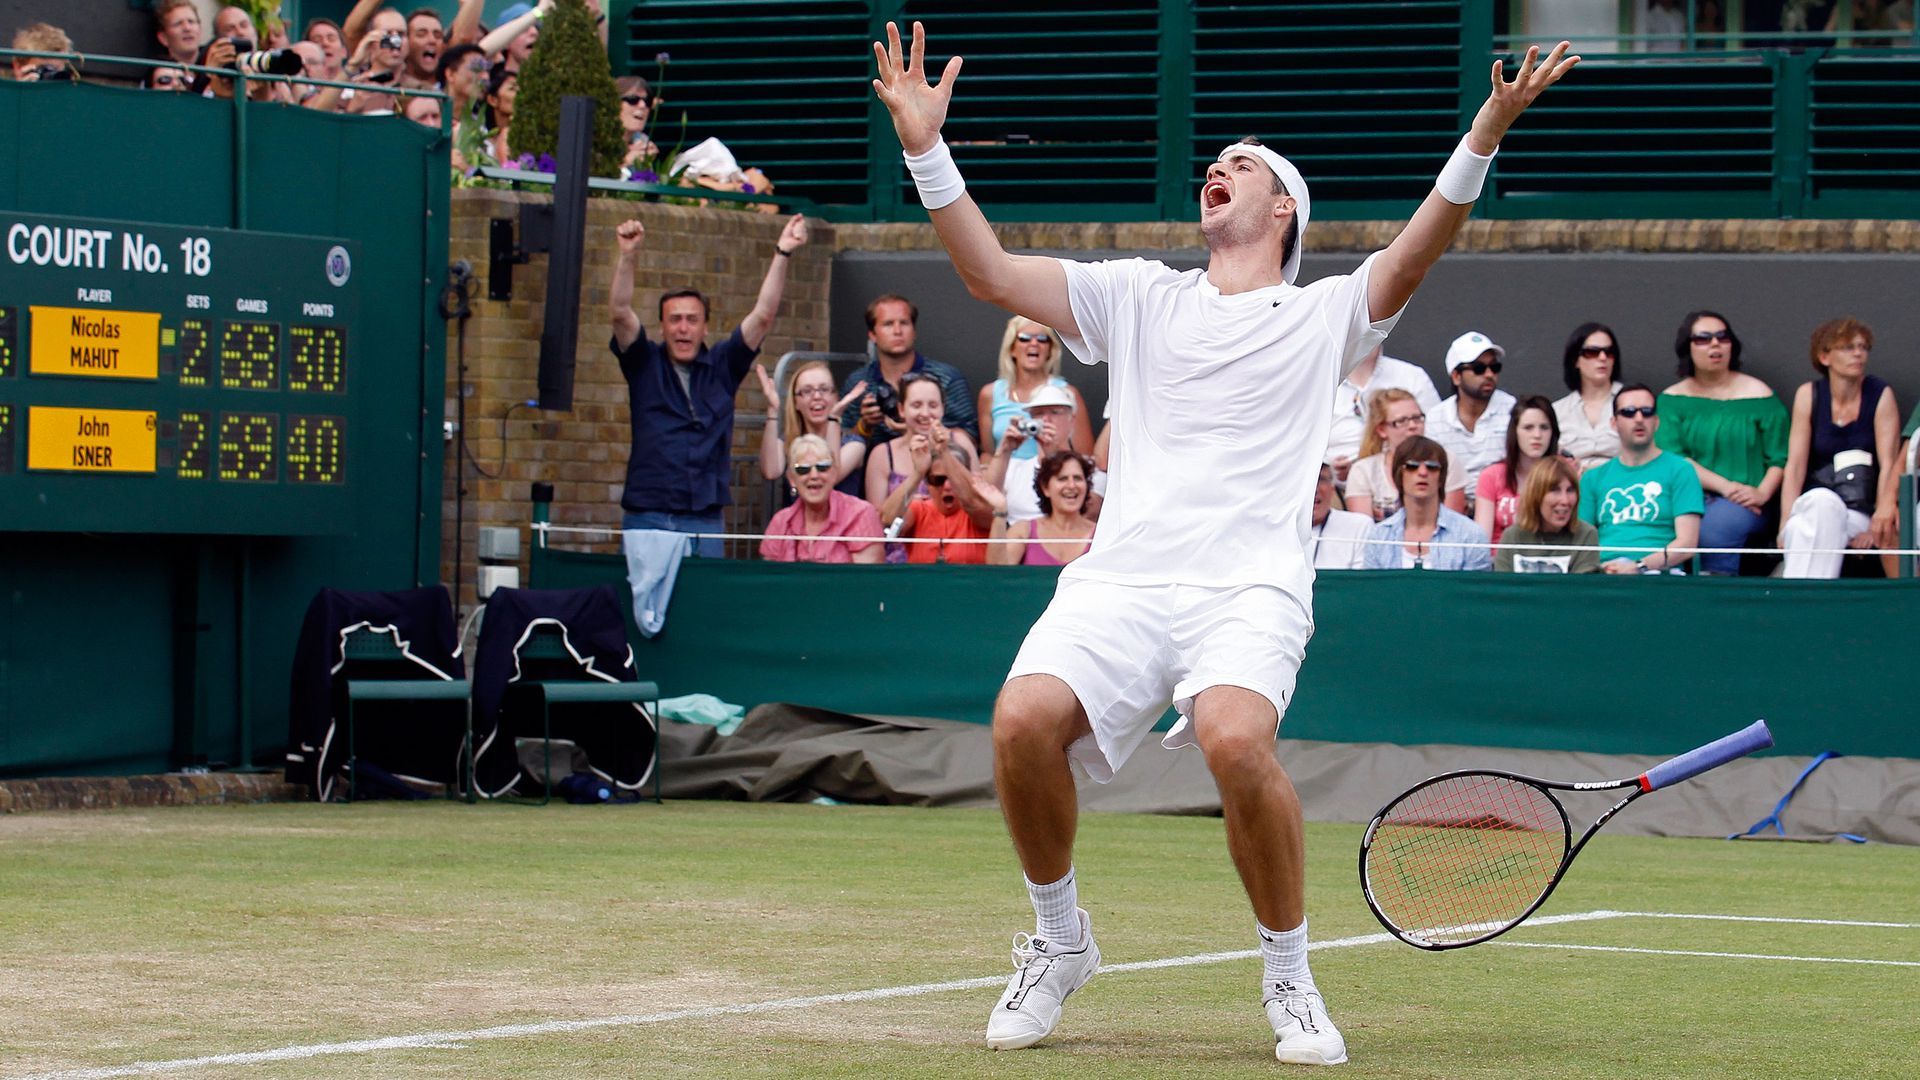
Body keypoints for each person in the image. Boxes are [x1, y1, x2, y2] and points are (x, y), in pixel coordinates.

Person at [870, 19, 1576, 1062]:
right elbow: (988, 275)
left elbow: (1417, 252)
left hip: (1250, 585)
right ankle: (1061, 944)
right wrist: (925, 146)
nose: (1218, 170)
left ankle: (1289, 978)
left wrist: (1488, 128)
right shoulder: (1137, 295)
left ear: (1283, 207)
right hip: (1126, 579)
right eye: (1214, 164)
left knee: (1236, 741)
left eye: (1242, 166)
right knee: (1021, 722)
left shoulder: (1328, 310)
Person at [607, 213, 810, 555]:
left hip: (704, 518)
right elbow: (620, 313)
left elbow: (762, 317)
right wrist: (628, 255)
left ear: (704, 327)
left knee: (702, 605)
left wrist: (783, 252)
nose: (683, 328)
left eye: (691, 320)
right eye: (675, 320)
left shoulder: (723, 365)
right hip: (648, 514)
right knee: (645, 610)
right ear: (662, 327)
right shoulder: (643, 363)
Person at [1657, 310, 1787, 574]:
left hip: (1747, 503)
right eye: (1703, 339)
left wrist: (1761, 494)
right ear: (1688, 347)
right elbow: (1674, 457)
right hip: (1687, 498)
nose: (1715, 344)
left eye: (1722, 337)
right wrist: (1726, 487)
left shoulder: (1760, 396)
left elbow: (1781, 456)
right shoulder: (1672, 400)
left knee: (1716, 528)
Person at [1777, 318, 1902, 578]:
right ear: (1824, 357)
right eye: (1847, 347)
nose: (1858, 353)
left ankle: (1799, 601)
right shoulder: (1808, 395)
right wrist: (1784, 521)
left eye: (1863, 347)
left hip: (1859, 512)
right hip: (1815, 506)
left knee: (1809, 524)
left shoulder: (1879, 394)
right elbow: (1796, 465)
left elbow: (1889, 463)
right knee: (1813, 512)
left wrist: (1878, 521)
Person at [1578, 383, 1703, 573]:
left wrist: (1639, 566)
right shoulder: (1593, 478)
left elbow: (1687, 544)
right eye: (1628, 412)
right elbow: (1582, 544)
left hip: (1661, 576)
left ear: (1656, 421)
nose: (1639, 419)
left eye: (1646, 412)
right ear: (1614, 423)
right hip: (1604, 575)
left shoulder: (1681, 470)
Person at [837, 294, 978, 458]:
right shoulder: (858, 384)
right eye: (888, 324)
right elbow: (840, 445)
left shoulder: (947, 378)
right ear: (872, 335)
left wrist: (920, 426)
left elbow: (972, 438)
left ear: (914, 331)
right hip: (876, 473)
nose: (897, 331)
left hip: (937, 472)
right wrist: (865, 425)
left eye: (904, 323)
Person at [1361, 437, 1493, 570]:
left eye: (1432, 467)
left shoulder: (1471, 536)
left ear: (1441, 477)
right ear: (1398, 474)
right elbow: (1373, 589)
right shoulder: (1378, 537)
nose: (1423, 472)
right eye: (1412, 466)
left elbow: (1474, 590)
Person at [976, 314, 1094, 459]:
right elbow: (988, 454)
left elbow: (1086, 457)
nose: (1034, 344)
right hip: (1007, 478)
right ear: (1012, 348)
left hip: (1052, 477)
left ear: (1050, 349)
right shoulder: (990, 394)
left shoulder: (1067, 394)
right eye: (1025, 338)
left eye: (1042, 339)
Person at [760, 435, 885, 564]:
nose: (814, 475)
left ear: (834, 473)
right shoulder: (780, 522)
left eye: (823, 467)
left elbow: (866, 579)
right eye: (803, 469)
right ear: (792, 479)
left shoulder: (861, 514)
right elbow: (769, 577)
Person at [984, 383, 1100, 523]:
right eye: (1038, 413)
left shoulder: (1090, 469)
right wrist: (1004, 451)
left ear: (1072, 420)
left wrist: (1053, 456)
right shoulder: (1015, 467)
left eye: (1055, 412)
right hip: (1019, 540)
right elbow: (985, 505)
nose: (1046, 419)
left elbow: (1088, 513)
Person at [1343, 388, 1465, 520]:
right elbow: (1363, 531)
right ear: (1382, 429)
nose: (1413, 425)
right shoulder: (1363, 471)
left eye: (1417, 418)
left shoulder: (1447, 461)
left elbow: (1453, 525)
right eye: (1401, 421)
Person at [1427, 330, 1516, 505]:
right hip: (1450, 504)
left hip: (1502, 504)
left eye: (1494, 367)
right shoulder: (1436, 417)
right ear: (1456, 376)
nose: (1489, 374)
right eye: (1479, 368)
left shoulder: (1512, 408)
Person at [1325, 345, 1440, 479]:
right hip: (1333, 490)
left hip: (1406, 482)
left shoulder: (1412, 376)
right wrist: (1329, 468)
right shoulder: (1321, 381)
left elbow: (1436, 436)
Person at [754, 359, 867, 488]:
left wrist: (834, 418)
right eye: (807, 391)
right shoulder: (789, 441)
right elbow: (770, 471)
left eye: (824, 389)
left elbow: (828, 478)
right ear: (796, 402)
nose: (817, 396)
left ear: (835, 397)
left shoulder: (854, 444)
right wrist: (772, 410)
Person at [1474, 394, 1561, 544]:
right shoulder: (1491, 475)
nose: (1537, 435)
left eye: (1544, 427)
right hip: (1499, 562)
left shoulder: (1565, 473)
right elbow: (1482, 540)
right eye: (1528, 428)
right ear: (1515, 432)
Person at [893, 437, 996, 564]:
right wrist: (918, 473)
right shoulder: (918, 509)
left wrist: (944, 451)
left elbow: (979, 505)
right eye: (938, 480)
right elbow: (887, 521)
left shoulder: (980, 512)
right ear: (928, 483)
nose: (947, 486)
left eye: (953, 479)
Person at [990, 450, 1097, 566]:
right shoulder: (1024, 530)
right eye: (1062, 478)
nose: (1071, 485)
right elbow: (998, 572)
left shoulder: (1101, 534)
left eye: (1077, 478)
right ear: (1045, 488)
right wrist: (1000, 511)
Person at [1494, 455, 1600, 572]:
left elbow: (1582, 588)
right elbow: (1502, 587)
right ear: (1536, 495)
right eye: (1555, 490)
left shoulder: (1586, 535)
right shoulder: (1513, 537)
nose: (1565, 500)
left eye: (1570, 490)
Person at [1552, 321, 1623, 471]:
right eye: (1592, 352)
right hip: (1572, 489)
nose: (1603, 358)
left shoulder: (1633, 404)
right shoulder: (1557, 412)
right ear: (1575, 360)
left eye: (1609, 352)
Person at [1309, 463, 1372, 570]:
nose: (1313, 489)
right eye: (1304, 481)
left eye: (1320, 479)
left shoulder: (1358, 526)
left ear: (1332, 489)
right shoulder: (1274, 529)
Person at [616, 75, 658, 168]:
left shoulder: (642, 141)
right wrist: (626, 162)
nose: (642, 105)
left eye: (647, 101)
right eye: (633, 100)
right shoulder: (597, 141)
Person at [154, 0, 203, 67]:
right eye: (178, 24)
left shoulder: (217, 64)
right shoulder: (158, 73)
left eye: (191, 21)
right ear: (163, 38)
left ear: (200, 29)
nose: (187, 28)